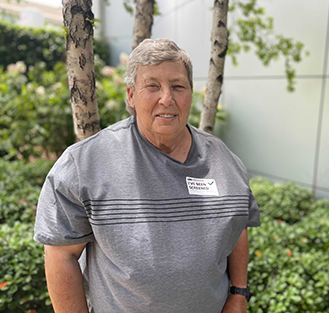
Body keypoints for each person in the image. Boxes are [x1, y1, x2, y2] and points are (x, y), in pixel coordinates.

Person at [34, 38, 260, 313]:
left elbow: (236, 226)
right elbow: (61, 255)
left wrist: (238, 292)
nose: (167, 98)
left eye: (178, 86)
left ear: (190, 93)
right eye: (152, 86)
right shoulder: (85, 164)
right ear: (131, 95)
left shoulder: (224, 161)